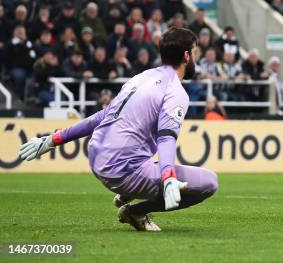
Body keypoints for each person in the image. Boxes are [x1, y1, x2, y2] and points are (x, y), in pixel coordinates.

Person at [18, 28, 218, 232]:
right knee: (209, 183)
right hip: (123, 170)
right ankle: (136, 211)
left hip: (96, 157)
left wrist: (52, 140)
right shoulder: (176, 92)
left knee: (142, 152)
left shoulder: (140, 77)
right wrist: (168, 177)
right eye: (194, 52)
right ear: (186, 56)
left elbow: (102, 116)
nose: (196, 58)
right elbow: (166, 138)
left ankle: (127, 194)